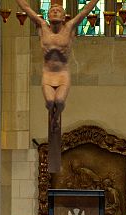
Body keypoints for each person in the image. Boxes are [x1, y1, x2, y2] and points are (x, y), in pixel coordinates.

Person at [13, 0, 102, 133]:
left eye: (58, 11)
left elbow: (85, 11)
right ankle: (53, 119)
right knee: (49, 102)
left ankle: (55, 119)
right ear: (48, 16)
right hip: (48, 74)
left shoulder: (69, 27)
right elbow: (26, 7)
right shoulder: (42, 27)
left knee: (59, 101)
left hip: (62, 74)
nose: (55, 12)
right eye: (52, 11)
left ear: (63, 17)